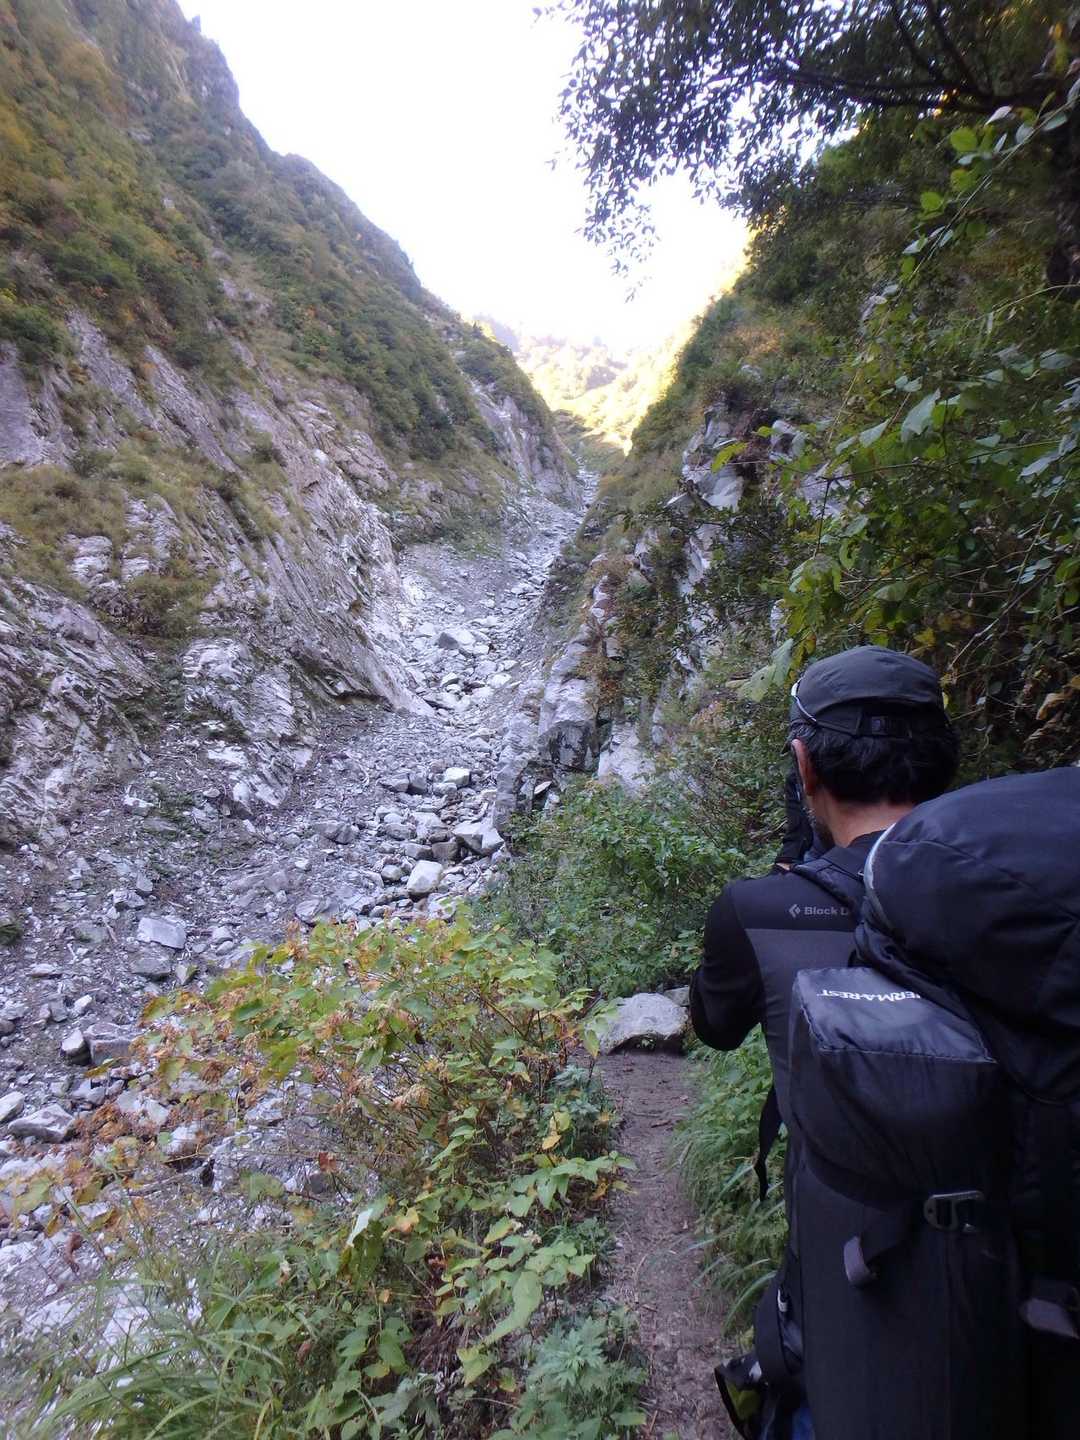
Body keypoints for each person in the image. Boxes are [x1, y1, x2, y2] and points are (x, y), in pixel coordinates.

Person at [689, 644, 960, 1437]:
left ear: (804, 765)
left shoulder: (758, 911)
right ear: (944, 758)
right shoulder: (1021, 890)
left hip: (852, 1291)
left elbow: (713, 1025)